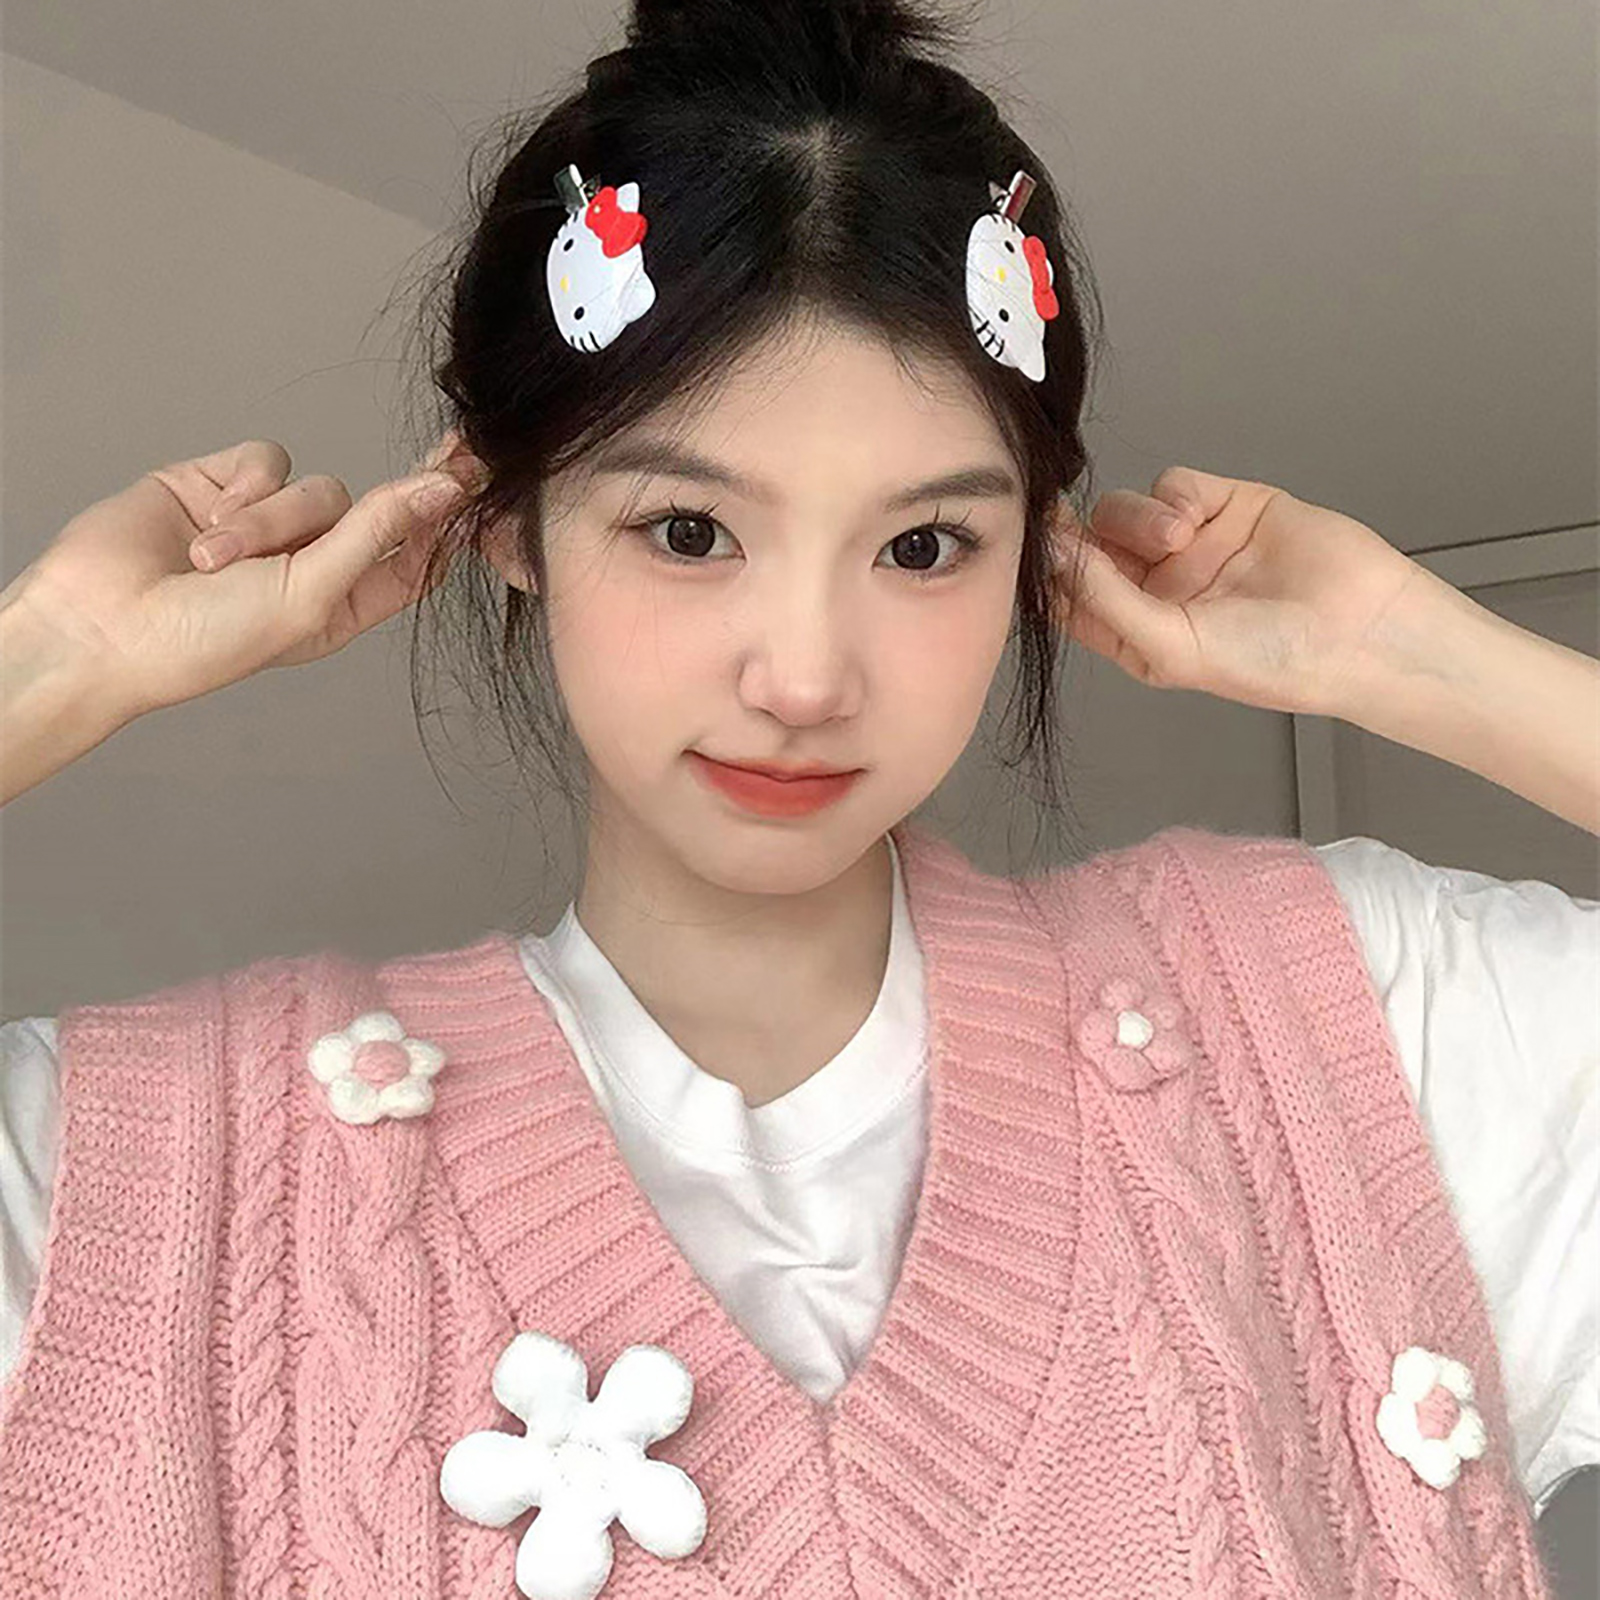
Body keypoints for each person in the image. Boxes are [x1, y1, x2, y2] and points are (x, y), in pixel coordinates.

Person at [0, 0, 1595, 1594]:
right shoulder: (125, 1186)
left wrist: (1411, 654)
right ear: (505, 519)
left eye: (923, 546)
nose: (808, 676)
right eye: (690, 532)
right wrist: (56, 661)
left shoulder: (1344, 1034)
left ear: (1031, 549)